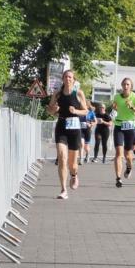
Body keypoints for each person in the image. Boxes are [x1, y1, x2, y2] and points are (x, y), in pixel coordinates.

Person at [46, 69, 89, 199]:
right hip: (62, 126)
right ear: (63, 79)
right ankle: (63, 189)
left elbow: (86, 111)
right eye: (66, 77)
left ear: (74, 80)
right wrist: (54, 109)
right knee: (62, 157)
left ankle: (74, 175)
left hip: (74, 129)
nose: (68, 79)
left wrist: (75, 110)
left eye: (70, 77)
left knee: (72, 164)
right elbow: (50, 111)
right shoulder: (57, 94)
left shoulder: (79, 93)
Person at [109, 78, 135, 187]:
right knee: (119, 153)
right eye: (124, 84)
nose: (125, 86)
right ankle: (118, 178)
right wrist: (113, 111)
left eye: (128, 84)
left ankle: (129, 167)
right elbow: (114, 109)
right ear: (122, 85)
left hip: (130, 127)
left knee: (128, 155)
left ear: (131, 86)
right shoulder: (117, 97)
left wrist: (133, 107)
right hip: (119, 126)